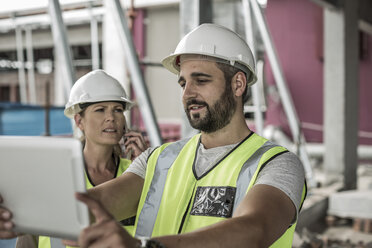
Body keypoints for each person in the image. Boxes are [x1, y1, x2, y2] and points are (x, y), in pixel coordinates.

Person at [1, 24, 306, 248]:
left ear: (238, 84)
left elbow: (254, 229)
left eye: (201, 80)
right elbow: (102, 201)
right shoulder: (158, 159)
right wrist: (17, 210)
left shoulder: (277, 164)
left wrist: (147, 247)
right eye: (183, 83)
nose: (188, 93)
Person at [16, 70, 148, 248]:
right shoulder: (54, 176)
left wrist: (150, 172)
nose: (111, 118)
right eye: (100, 110)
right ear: (79, 121)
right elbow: (27, 240)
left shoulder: (135, 174)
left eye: (117, 110)